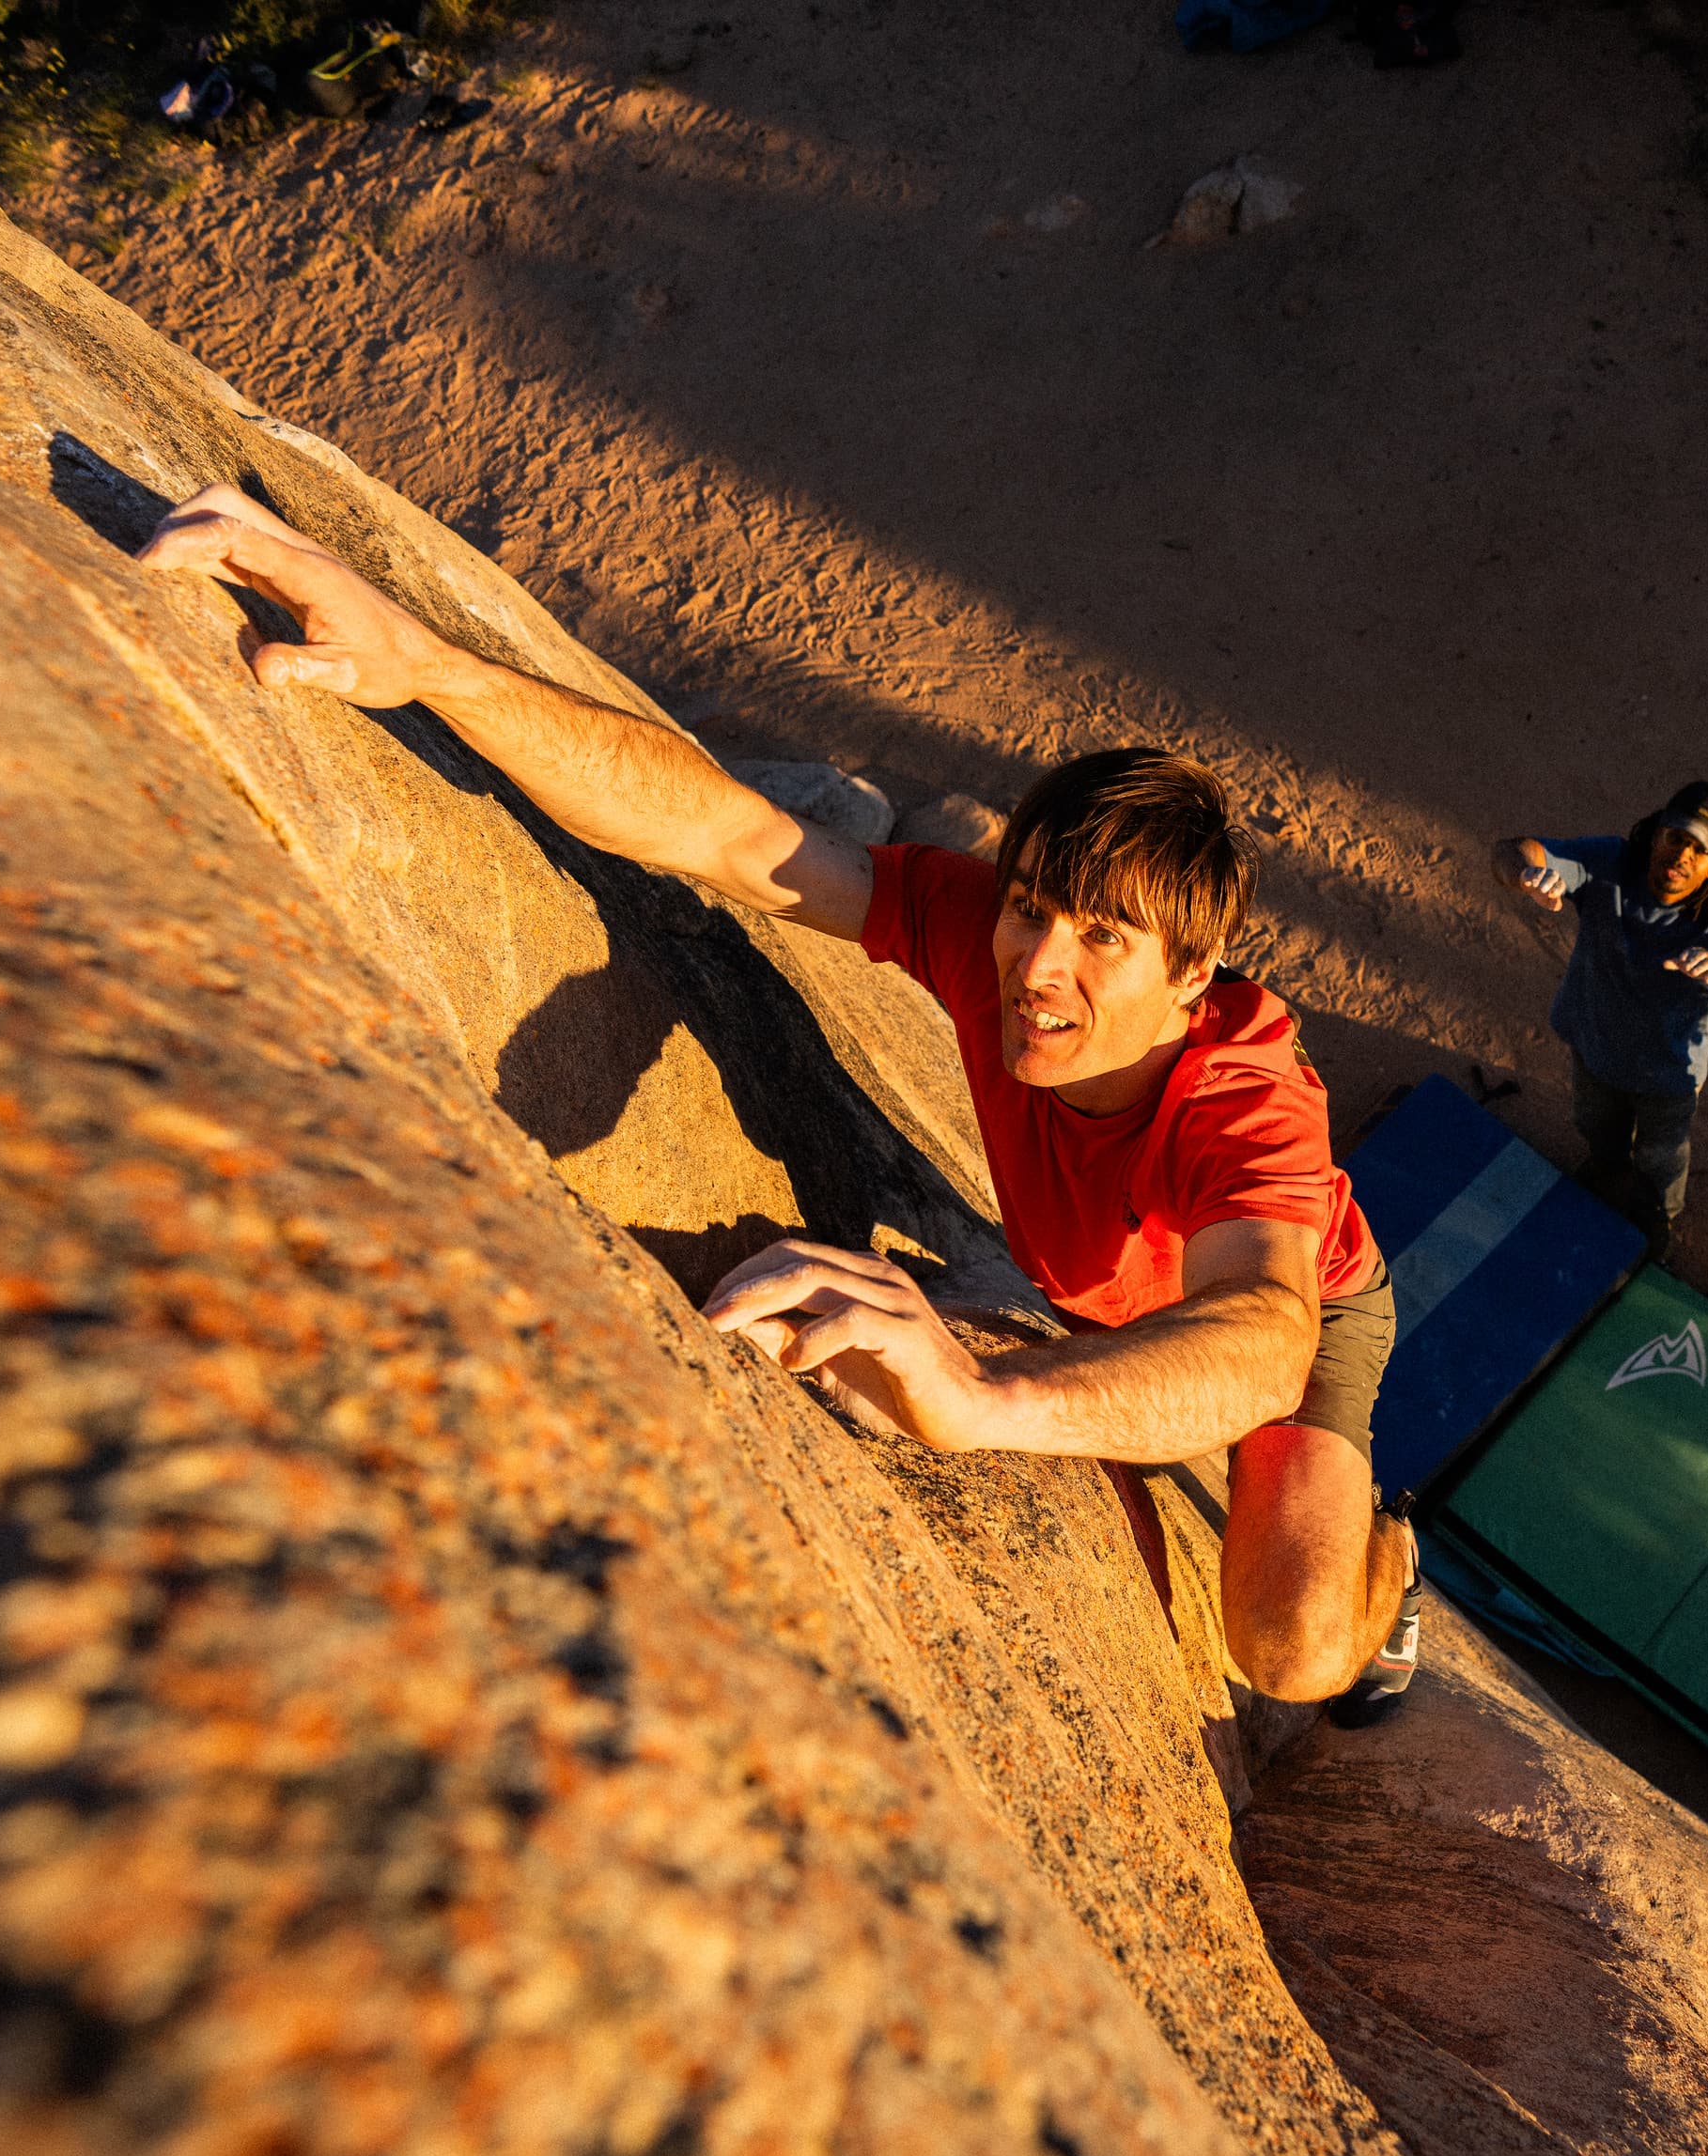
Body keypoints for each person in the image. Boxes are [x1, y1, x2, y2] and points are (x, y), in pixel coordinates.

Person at [137, 485, 1420, 1710]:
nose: (1039, 965)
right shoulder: (981, 939)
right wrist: (430, 668)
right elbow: (730, 838)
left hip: (1299, 1309)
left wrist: (987, 1403)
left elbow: (1263, 1333)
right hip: (1091, 1287)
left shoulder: (1242, 1097)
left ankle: (1392, 1568)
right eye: (1032, 908)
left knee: (1293, 1649)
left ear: (1191, 974)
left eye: (1103, 940)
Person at [1490, 783, 1708, 1256]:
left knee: (1660, 1159)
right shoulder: (1609, 861)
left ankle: (1656, 1218)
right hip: (1593, 1050)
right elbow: (1511, 851)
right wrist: (1530, 874)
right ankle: (1607, 1169)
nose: (1682, 856)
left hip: (1668, 1080)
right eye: (1676, 837)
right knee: (1595, 1126)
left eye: (1700, 850)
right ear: (1656, 833)